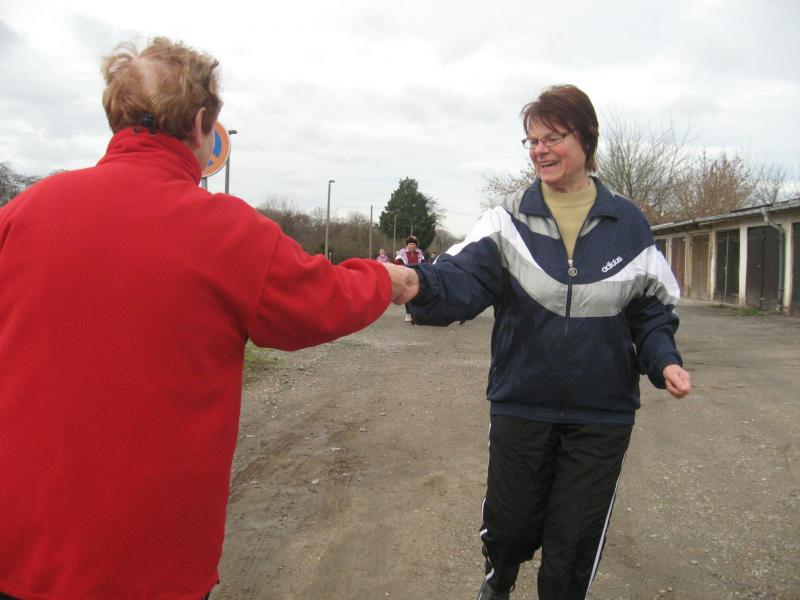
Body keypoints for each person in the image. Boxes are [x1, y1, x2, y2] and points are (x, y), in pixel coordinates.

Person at [0, 37, 414, 600]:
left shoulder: (22, 212)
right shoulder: (223, 230)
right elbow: (321, 300)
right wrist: (384, 279)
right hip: (146, 563)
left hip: (17, 547)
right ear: (200, 124)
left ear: (116, 115)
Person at [399, 84, 691, 599]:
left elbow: (650, 309)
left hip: (601, 415)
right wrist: (417, 285)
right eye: (532, 141)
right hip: (522, 404)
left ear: (586, 138)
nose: (540, 150)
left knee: (572, 547)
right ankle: (499, 579)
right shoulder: (506, 220)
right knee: (510, 527)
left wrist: (663, 359)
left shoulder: (628, 224)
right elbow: (462, 279)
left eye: (553, 137)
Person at [394, 236, 424, 322]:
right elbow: (396, 263)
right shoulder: (402, 253)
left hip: (417, 276)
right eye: (410, 244)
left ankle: (416, 313)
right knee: (408, 295)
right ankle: (408, 313)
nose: (412, 246)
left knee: (417, 295)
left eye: (413, 244)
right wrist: (403, 270)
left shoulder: (420, 253)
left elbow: (423, 264)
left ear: (416, 245)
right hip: (407, 276)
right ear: (407, 245)